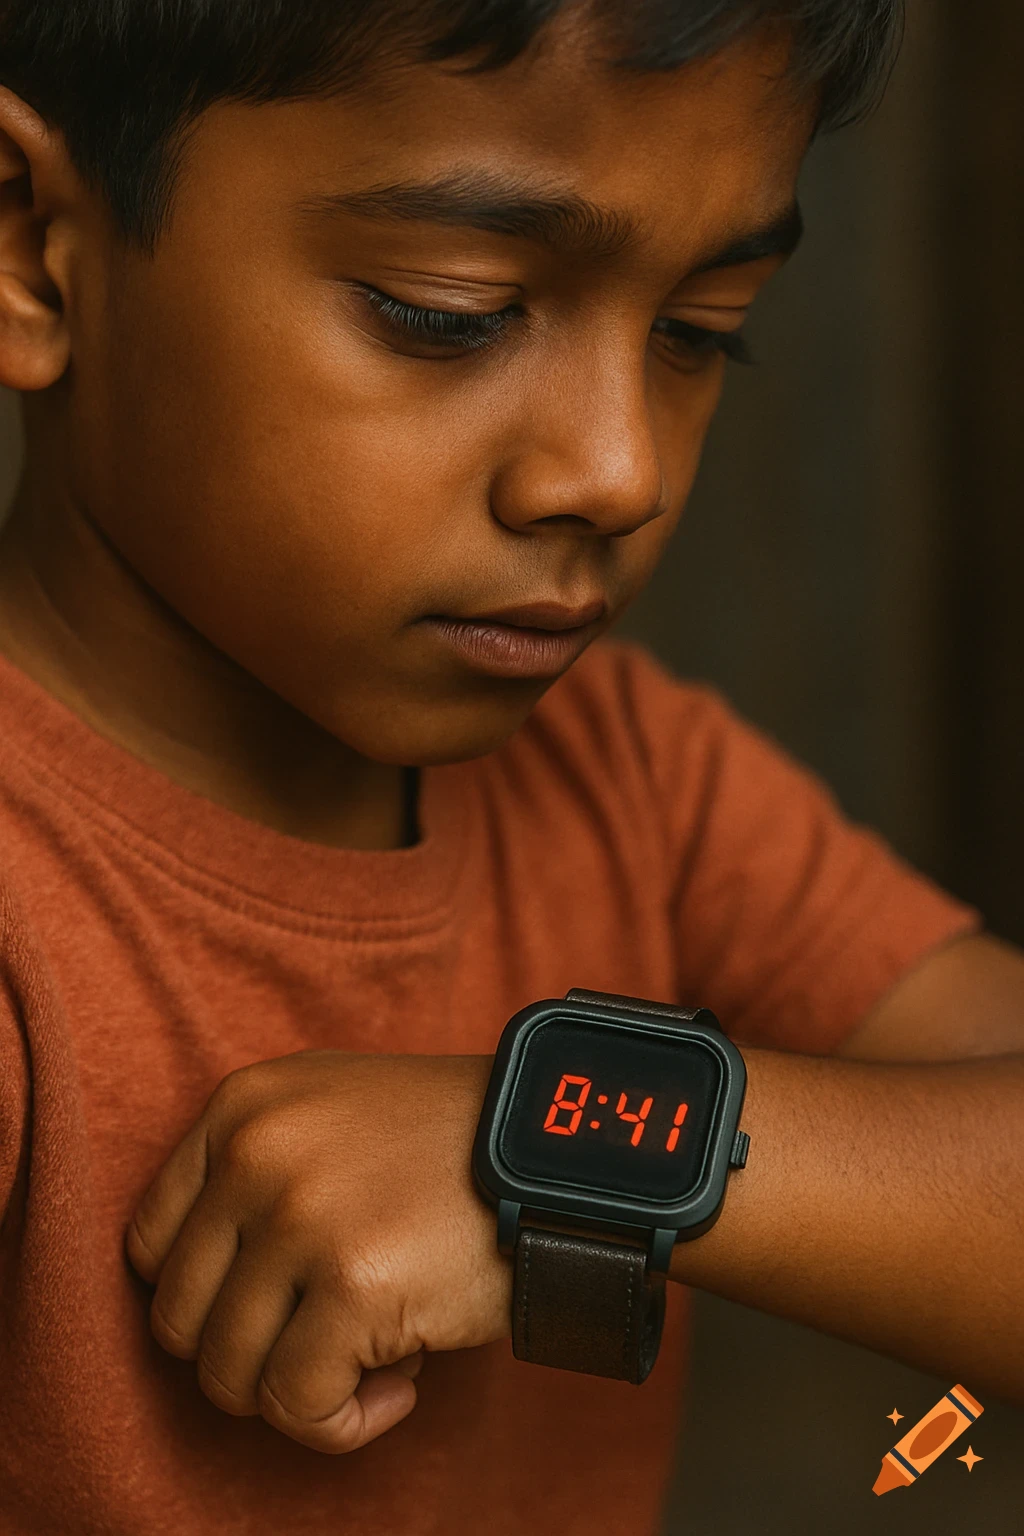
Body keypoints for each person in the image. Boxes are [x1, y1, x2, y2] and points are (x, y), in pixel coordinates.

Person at [0, 1, 1020, 1532]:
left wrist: (568, 1146)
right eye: (451, 311)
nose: (618, 470)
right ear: (30, 247)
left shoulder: (629, 782)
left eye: (700, 331)